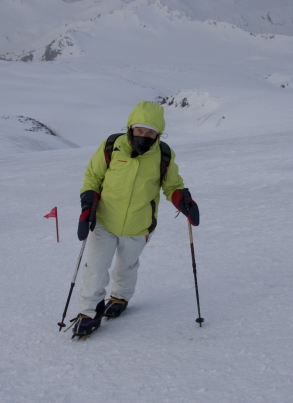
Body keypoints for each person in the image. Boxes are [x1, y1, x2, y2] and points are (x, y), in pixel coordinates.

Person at [71, 101, 199, 337]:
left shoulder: (164, 155)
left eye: (150, 132)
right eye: (140, 130)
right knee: (95, 269)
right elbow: (93, 176)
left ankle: (120, 298)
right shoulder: (112, 145)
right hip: (105, 221)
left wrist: (182, 199)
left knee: (127, 267)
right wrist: (88, 205)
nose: (144, 135)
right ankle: (89, 312)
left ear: (158, 134)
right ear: (131, 128)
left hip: (139, 225)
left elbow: (172, 185)